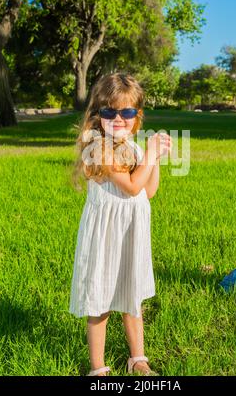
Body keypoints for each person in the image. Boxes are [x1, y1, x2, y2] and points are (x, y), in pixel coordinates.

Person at [69, 72, 172, 376]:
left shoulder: (136, 148)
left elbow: (147, 191)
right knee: (99, 300)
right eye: (109, 111)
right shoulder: (97, 148)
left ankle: (137, 358)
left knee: (131, 295)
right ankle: (98, 368)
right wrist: (150, 156)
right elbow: (129, 185)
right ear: (97, 114)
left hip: (131, 233)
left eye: (126, 112)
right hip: (105, 235)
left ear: (136, 116)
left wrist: (155, 160)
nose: (118, 118)